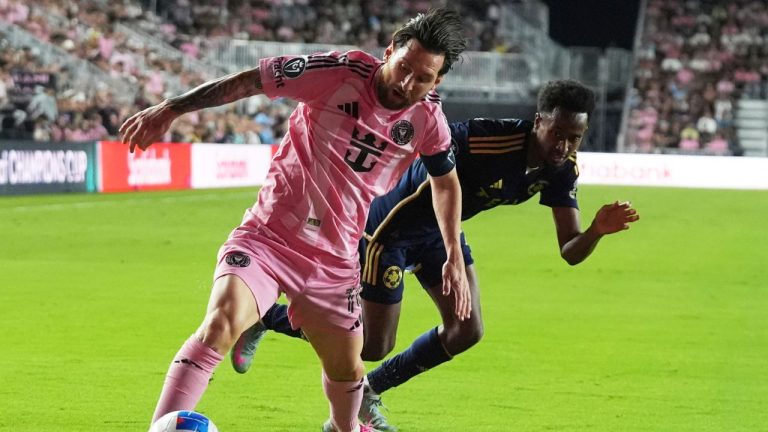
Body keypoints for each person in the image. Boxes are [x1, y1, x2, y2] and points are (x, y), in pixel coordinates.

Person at [118, 8, 470, 432]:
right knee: (219, 324)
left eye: (423, 78)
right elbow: (253, 80)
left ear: (438, 81)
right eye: (403, 68)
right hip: (267, 239)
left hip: (335, 261)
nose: (406, 83)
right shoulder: (338, 71)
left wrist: (453, 252)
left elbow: (445, 183)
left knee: (348, 367)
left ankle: (346, 427)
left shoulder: (428, 121)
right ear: (389, 51)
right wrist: (172, 108)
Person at [231, 79, 641, 431]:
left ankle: (368, 394)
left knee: (466, 330)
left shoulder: (562, 169)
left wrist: (595, 232)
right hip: (388, 231)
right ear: (539, 122)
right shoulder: (489, 137)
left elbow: (570, 252)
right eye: (559, 133)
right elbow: (433, 144)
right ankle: (267, 316)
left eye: (576, 137)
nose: (565, 145)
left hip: (439, 236)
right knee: (373, 344)